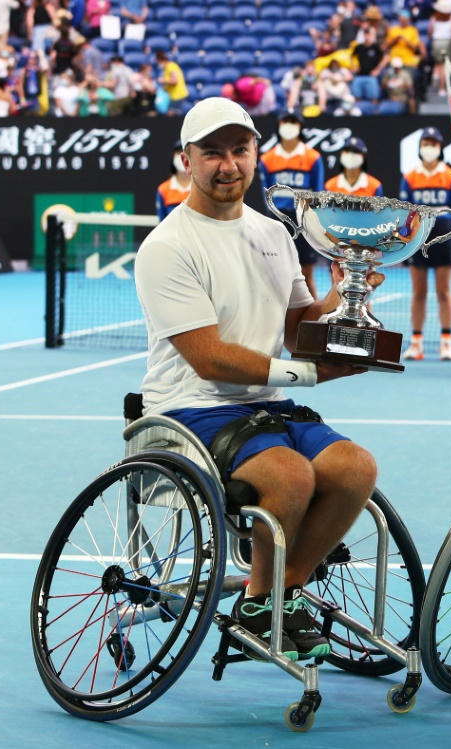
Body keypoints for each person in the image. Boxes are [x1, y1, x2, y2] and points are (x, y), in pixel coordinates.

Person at [133, 97, 379, 663]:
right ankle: (267, 599)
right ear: (186, 160)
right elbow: (211, 360)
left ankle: (275, 595)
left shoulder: (275, 233)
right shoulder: (167, 247)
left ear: (255, 155)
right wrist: (312, 375)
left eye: (239, 150)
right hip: (190, 410)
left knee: (354, 469)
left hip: (267, 405)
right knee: (290, 476)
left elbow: (299, 331)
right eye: (212, 153)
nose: (228, 165)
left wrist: (349, 288)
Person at [398, 126, 451, 362]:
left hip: (444, 237)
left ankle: (447, 343)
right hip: (418, 238)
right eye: (425, 143)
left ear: (440, 148)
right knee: (419, 291)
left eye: (433, 144)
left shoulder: (450, 176)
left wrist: (432, 216)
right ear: (420, 148)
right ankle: (416, 343)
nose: (429, 148)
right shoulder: (410, 177)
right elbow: (405, 210)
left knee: (443, 291)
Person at [259, 107, 325, 300]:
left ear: (300, 126)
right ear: (278, 125)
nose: (289, 126)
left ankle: (313, 322)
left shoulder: (313, 157)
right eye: (284, 122)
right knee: (276, 276)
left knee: (306, 276)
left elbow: (318, 192)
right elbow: (266, 195)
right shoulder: (267, 159)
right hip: (277, 223)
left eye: (293, 122)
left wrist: (312, 223)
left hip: (303, 222)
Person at [156, 140, 192, 221]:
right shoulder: (164, 189)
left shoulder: (201, 187)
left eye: (186, 153)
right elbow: (162, 222)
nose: (182, 158)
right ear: (173, 157)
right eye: (179, 152)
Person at [155, 49, 188, 116]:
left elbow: (175, 80)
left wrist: (163, 80)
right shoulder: (168, 67)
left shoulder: (170, 66)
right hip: (173, 96)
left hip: (178, 96)